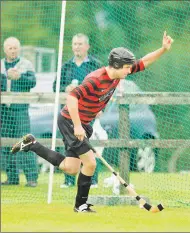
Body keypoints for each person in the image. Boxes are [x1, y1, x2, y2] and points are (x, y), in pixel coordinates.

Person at [11, 31, 173, 212]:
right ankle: (80, 206)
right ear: (117, 65)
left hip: (84, 123)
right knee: (90, 163)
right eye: (127, 67)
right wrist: (78, 125)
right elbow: (72, 98)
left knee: (71, 168)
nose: (130, 70)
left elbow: (144, 62)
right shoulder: (96, 79)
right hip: (71, 121)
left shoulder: (119, 74)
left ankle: (32, 144)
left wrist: (163, 49)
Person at [53, 33, 101, 189]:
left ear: (87, 46)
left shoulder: (95, 66)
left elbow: (102, 89)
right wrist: (65, 88)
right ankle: (68, 180)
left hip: (87, 112)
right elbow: (55, 86)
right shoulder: (66, 66)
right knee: (69, 143)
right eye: (75, 44)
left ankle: (92, 180)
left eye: (80, 44)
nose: (77, 47)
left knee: (87, 143)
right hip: (68, 113)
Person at [1, 37, 38, 187]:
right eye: (10, 48)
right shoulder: (0, 65)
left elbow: (33, 82)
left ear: (19, 49)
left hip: (20, 110)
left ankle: (31, 178)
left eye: (15, 48)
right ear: (5, 50)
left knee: (25, 142)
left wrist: (19, 77)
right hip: (3, 111)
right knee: (6, 145)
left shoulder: (26, 64)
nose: (13, 50)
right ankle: (12, 178)